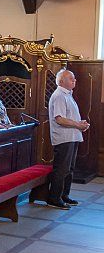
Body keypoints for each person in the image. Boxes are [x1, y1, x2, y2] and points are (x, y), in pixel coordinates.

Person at [46, 69, 89, 209]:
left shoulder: (68, 95)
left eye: (74, 78)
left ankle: (64, 195)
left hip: (72, 136)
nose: (74, 80)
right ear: (61, 81)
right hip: (64, 138)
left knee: (69, 169)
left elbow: (69, 117)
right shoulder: (59, 95)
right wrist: (77, 125)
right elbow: (59, 119)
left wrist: (80, 124)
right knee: (61, 169)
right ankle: (54, 198)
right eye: (71, 78)